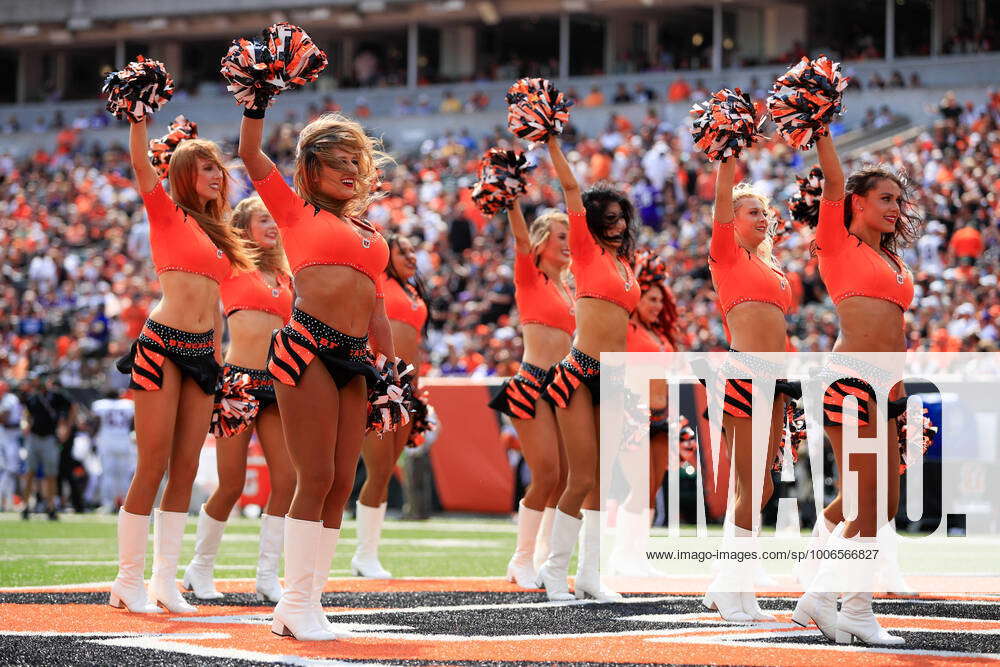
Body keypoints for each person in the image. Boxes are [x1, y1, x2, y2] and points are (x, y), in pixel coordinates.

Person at [239, 109, 395, 640]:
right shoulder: (296, 210)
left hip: (355, 358)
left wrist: (392, 371)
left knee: (343, 482)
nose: (350, 170)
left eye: (355, 160)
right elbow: (251, 155)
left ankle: (309, 604)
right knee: (318, 476)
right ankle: (295, 601)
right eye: (337, 162)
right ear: (312, 169)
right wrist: (255, 103)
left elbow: (378, 310)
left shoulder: (371, 232)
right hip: (305, 347)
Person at [110, 107, 257, 616]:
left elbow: (216, 309)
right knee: (152, 462)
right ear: (184, 175)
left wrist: (220, 370)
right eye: (208, 167)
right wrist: (137, 116)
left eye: (220, 166)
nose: (219, 175)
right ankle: (128, 580)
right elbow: (139, 164)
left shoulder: (221, 232)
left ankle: (164, 582)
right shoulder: (166, 211)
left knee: (189, 467)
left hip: (203, 355)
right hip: (162, 344)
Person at [792, 133, 916, 646]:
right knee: (865, 499)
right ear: (857, 204)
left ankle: (822, 593)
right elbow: (835, 181)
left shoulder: (893, 260)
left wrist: (903, 400)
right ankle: (845, 606)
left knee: (880, 503)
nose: (895, 208)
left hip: (888, 387)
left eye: (898, 201)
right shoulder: (838, 243)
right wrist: (820, 131)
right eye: (885, 199)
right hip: (849, 379)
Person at [538, 133, 638, 602]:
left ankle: (591, 575)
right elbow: (571, 192)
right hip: (579, 370)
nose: (617, 224)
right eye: (610, 218)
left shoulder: (625, 264)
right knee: (580, 477)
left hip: (616, 377)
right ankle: (554, 571)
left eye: (622, 217)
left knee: (603, 481)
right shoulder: (584, 248)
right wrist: (553, 140)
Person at [182, 195, 296, 604]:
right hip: (238, 382)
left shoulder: (287, 276)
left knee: (287, 479)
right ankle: (199, 567)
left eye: (275, 220)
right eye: (264, 219)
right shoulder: (231, 265)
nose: (273, 226)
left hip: (278, 384)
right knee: (230, 483)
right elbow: (200, 224)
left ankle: (267, 575)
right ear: (244, 226)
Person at [700, 159, 795, 622]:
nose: (762, 218)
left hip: (777, 382)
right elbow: (719, 205)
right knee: (748, 484)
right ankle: (735, 593)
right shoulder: (727, 254)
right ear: (733, 221)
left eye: (764, 212)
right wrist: (727, 159)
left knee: (763, 485)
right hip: (744, 374)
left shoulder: (772, 266)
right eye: (751, 212)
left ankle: (727, 585)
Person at [488, 202, 573, 588]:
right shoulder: (530, 275)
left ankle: (541, 558)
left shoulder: (566, 287)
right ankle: (521, 558)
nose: (569, 243)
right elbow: (520, 239)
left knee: (564, 477)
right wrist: (512, 200)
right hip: (533, 381)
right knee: (547, 473)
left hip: (563, 386)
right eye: (562, 236)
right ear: (542, 243)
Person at [353, 233, 429, 578]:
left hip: (408, 385)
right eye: (404, 251)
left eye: (414, 251)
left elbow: (417, 344)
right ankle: (364, 554)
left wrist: (419, 387)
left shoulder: (414, 292)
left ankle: (369, 553)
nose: (412, 256)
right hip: (383, 380)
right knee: (379, 467)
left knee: (386, 470)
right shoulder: (379, 278)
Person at [612, 250, 680, 577]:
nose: (655, 306)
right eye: (650, 299)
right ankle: (621, 557)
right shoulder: (625, 326)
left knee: (651, 488)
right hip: (633, 413)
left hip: (661, 416)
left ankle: (639, 556)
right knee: (637, 487)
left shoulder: (661, 335)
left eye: (659, 301)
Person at [21, 376, 74, 520]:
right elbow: (26, 414)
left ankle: (51, 506)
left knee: (51, 474)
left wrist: (66, 427)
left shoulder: (57, 396)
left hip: (50, 438)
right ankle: (25, 505)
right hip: (34, 437)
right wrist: (25, 423)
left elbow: (71, 407)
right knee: (30, 472)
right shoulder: (32, 398)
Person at [91, 389, 136, 512]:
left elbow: (96, 423)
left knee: (108, 474)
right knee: (124, 475)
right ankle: (126, 504)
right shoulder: (127, 405)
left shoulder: (100, 405)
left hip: (107, 442)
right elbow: (133, 424)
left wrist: (92, 438)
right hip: (124, 442)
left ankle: (108, 504)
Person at [0, 381, 23, 512]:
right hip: (4, 440)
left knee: (11, 469)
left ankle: (7, 502)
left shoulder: (10, 399)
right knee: (7, 470)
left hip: (11, 439)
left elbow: (5, 419)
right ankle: (5, 502)